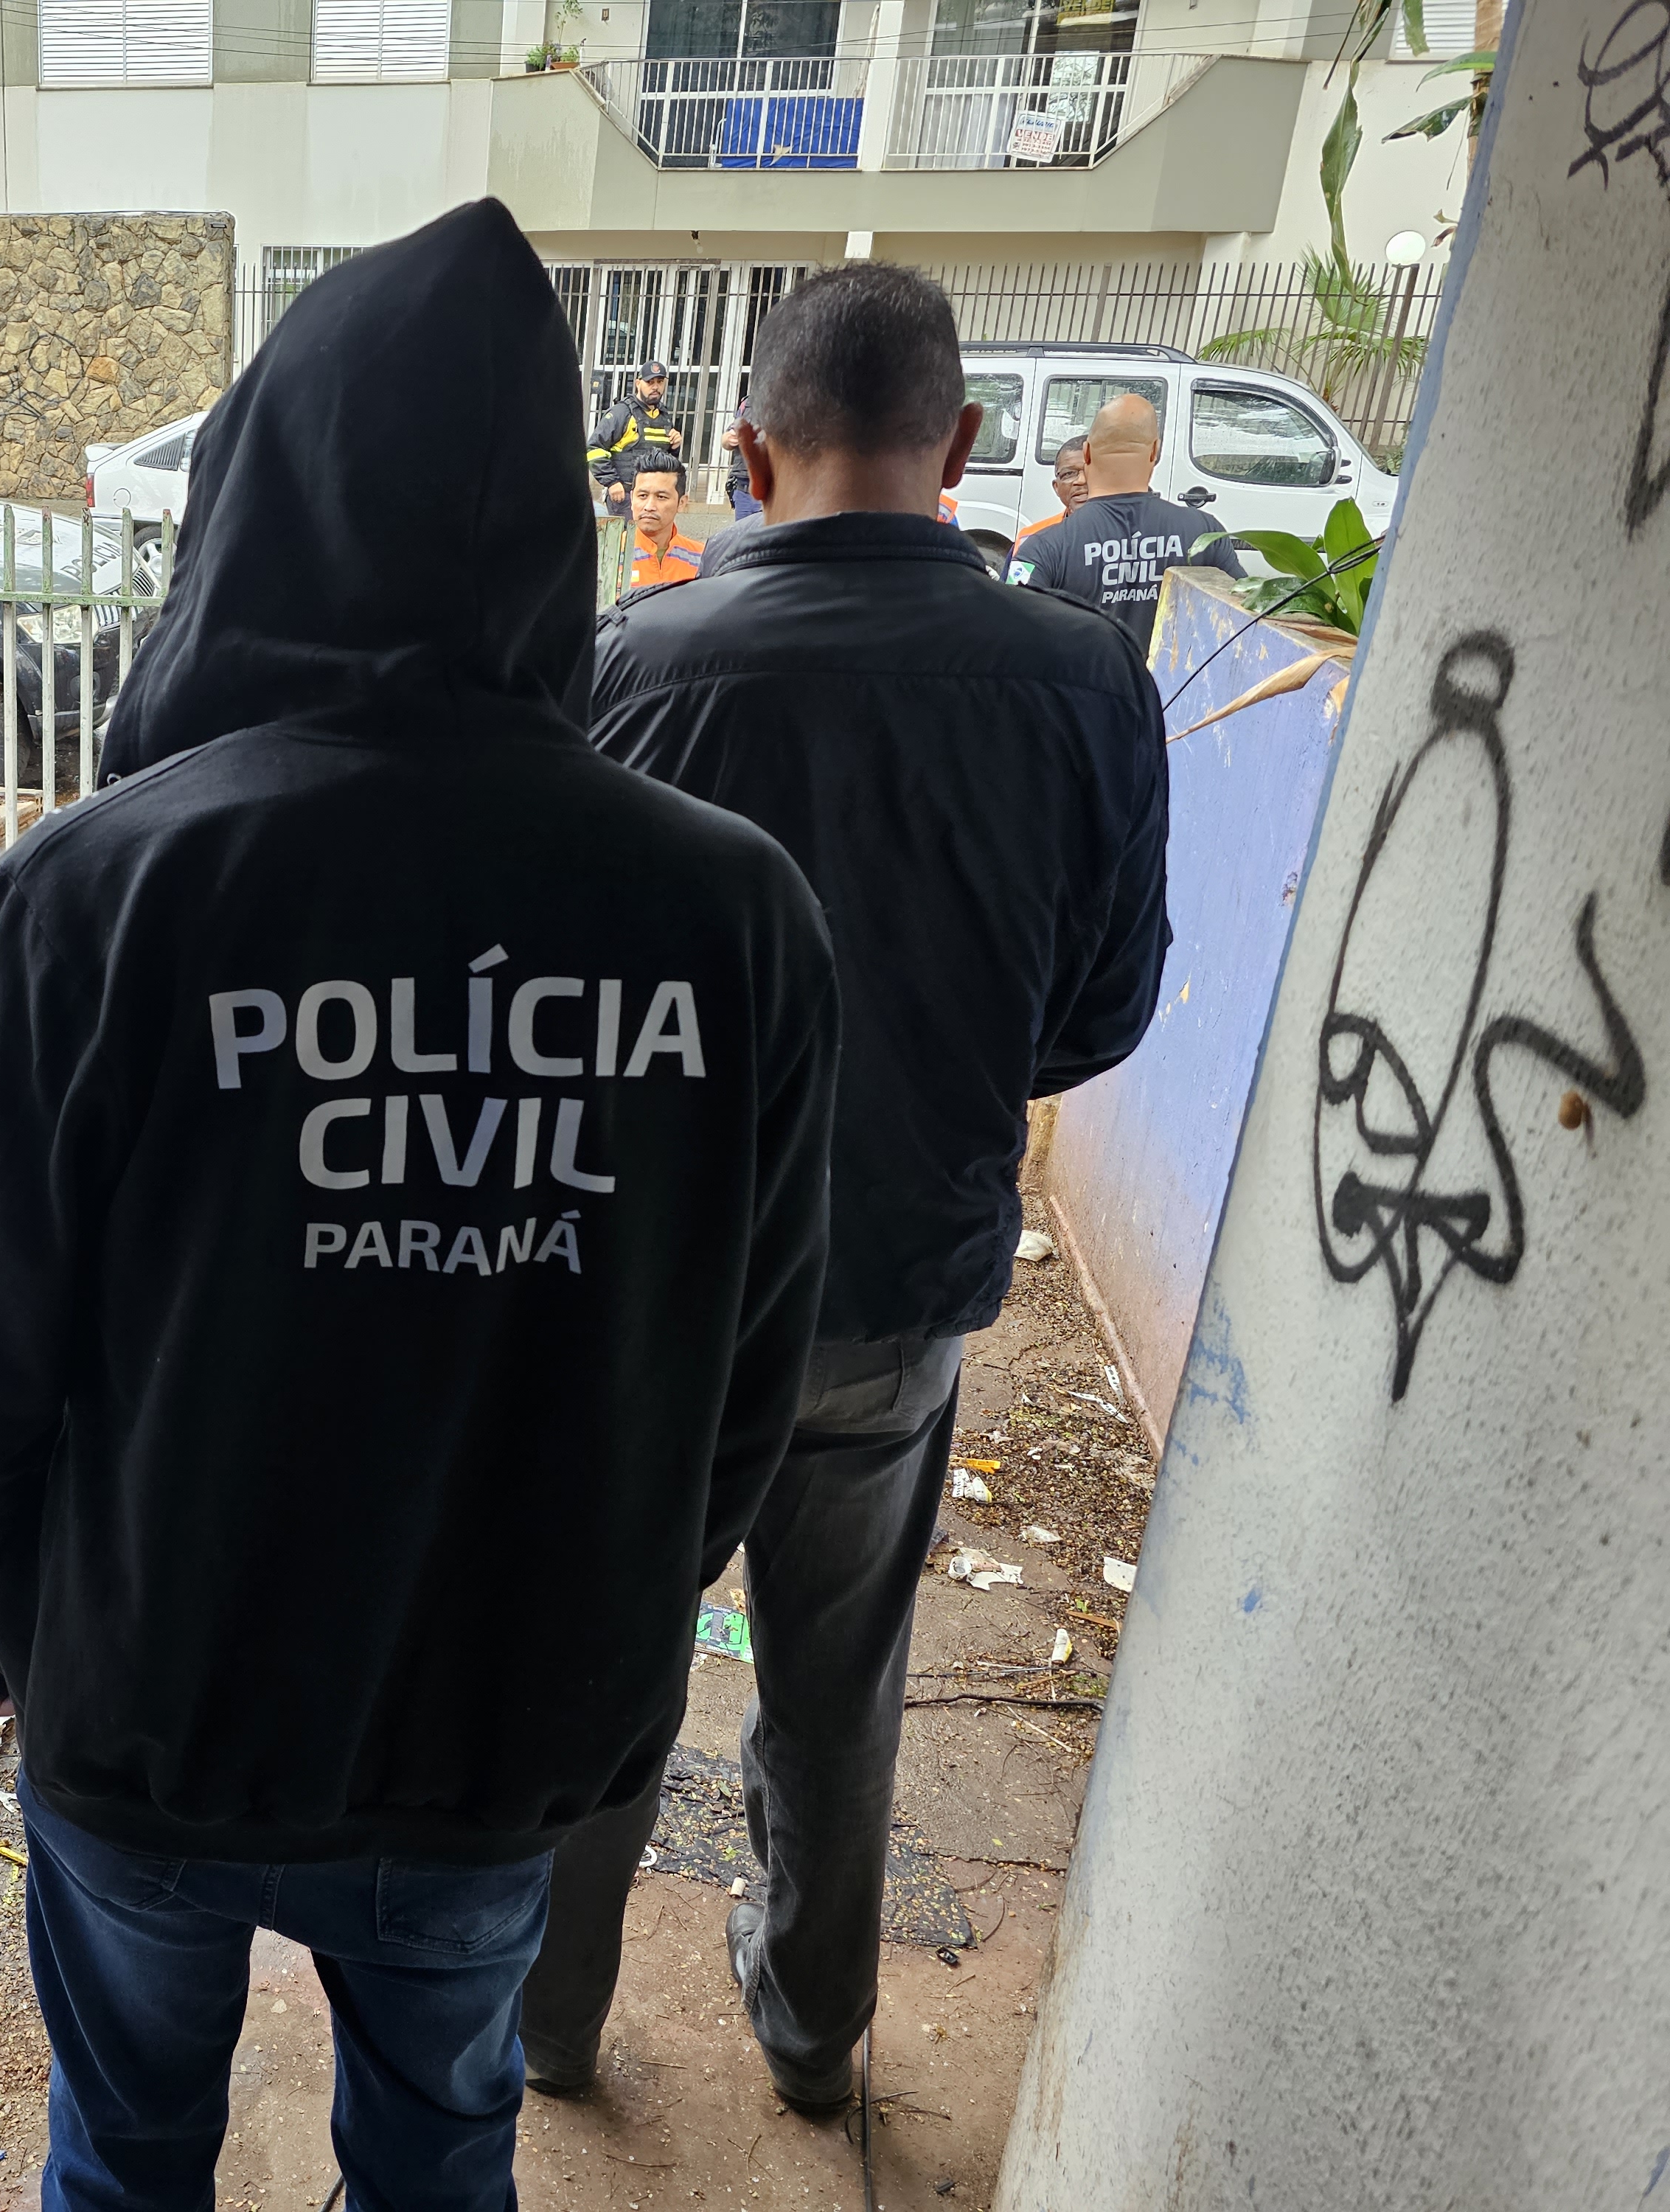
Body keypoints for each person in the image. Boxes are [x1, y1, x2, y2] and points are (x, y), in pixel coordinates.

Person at [0, 198, 840, 2212]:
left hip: (152, 1706)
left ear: (261, 498)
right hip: (498, 1725)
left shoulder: (97, 892)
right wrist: (628, 1596)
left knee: (128, 2148)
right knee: (434, 2149)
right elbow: (754, 1355)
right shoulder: (730, 911)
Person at [573, 263, 1168, 2118]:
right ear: (965, 447)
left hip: (656, 1300)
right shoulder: (1079, 680)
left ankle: (535, 2028)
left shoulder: (630, 668)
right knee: (838, 1685)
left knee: (598, 1676)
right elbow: (1099, 1009)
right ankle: (814, 2038)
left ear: (744, 454)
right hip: (898, 1280)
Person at [1007, 395, 1243, 644]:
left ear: (1087, 453)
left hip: (1083, 681)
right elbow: (1248, 612)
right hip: (1173, 682)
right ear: (1155, 451)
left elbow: (1008, 630)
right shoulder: (1206, 532)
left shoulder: (1041, 548)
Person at [585, 361, 681, 512]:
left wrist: (675, 448)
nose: (655, 387)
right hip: (626, 496)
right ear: (638, 383)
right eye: (650, 382)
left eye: (660, 382)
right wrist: (612, 482)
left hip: (655, 496)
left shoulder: (664, 415)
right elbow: (594, 449)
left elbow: (662, 458)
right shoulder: (621, 413)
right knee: (627, 537)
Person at [622, 446, 701, 591]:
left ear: (681, 503)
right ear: (632, 499)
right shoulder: (608, 555)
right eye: (643, 496)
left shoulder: (701, 558)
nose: (649, 506)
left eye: (661, 497)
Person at [1017, 433, 1090, 540]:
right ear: (1056, 487)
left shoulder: (1123, 535)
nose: (1081, 480)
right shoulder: (1032, 538)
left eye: (1091, 471)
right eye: (1069, 474)